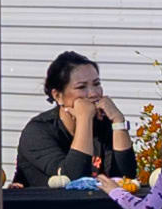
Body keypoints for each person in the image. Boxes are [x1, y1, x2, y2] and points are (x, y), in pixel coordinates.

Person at [14, 53, 125, 190]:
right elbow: (72, 180)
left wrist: (118, 122)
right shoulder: (37, 131)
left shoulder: (102, 124)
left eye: (96, 84)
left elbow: (125, 179)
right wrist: (84, 119)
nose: (93, 93)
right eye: (81, 87)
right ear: (58, 96)